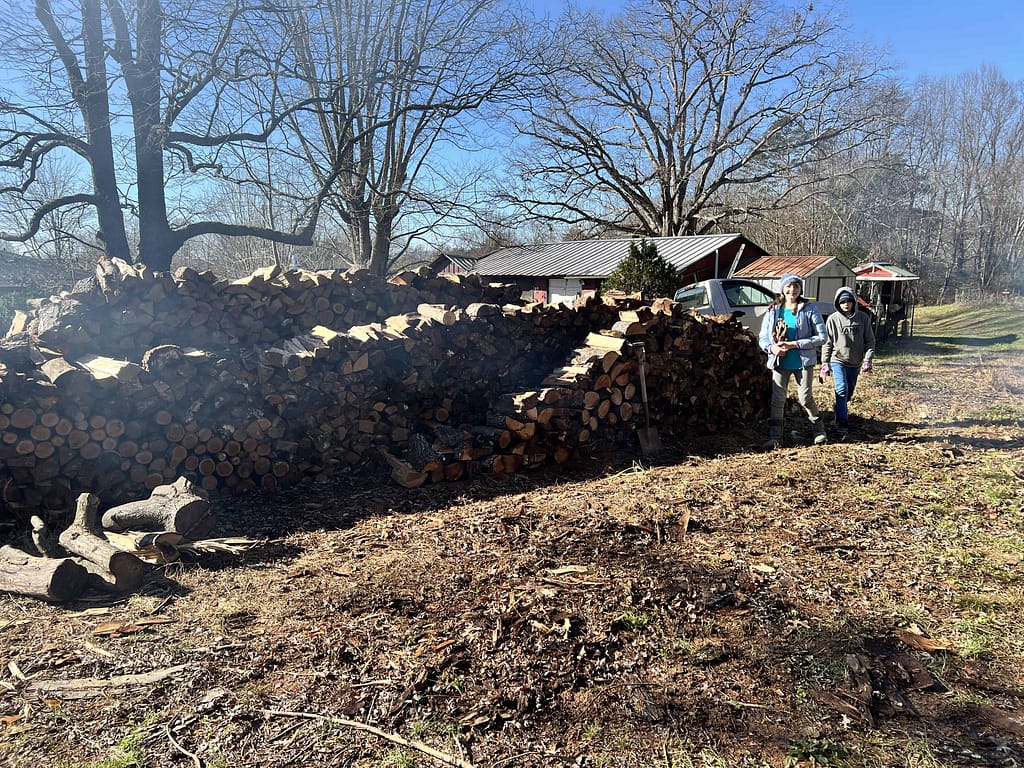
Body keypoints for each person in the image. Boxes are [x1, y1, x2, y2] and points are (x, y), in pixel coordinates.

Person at [757, 273, 828, 449]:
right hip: (780, 362)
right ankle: (776, 438)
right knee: (778, 399)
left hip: (803, 362)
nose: (792, 290)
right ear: (782, 288)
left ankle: (819, 431)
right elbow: (763, 337)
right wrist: (772, 348)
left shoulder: (810, 309)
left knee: (805, 398)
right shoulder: (774, 310)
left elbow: (822, 337)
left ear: (800, 289)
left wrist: (794, 344)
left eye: (796, 286)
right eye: (789, 286)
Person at [820, 286, 875, 439]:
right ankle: (843, 423)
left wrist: (867, 359)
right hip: (838, 360)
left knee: (848, 393)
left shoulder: (863, 318)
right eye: (842, 301)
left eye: (848, 301)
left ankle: (839, 409)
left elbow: (870, 341)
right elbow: (827, 342)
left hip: (855, 362)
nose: (845, 304)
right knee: (842, 389)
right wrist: (825, 363)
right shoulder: (833, 319)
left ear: (853, 302)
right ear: (838, 302)